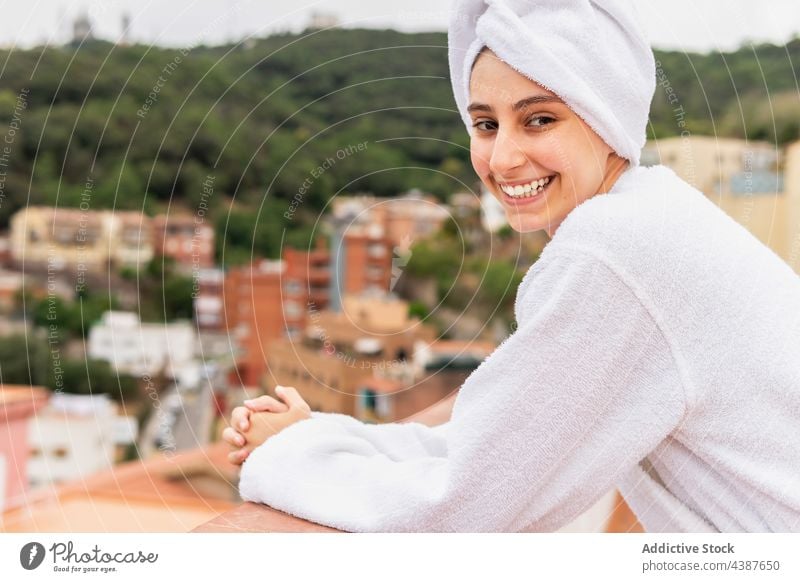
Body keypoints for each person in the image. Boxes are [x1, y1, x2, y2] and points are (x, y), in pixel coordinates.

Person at [222, 0, 800, 532]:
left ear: (606, 116)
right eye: (485, 124)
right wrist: (322, 437)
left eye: (540, 120)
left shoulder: (614, 251)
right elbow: (500, 447)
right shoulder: (657, 213)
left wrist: (289, 457)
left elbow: (462, 512)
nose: (502, 158)